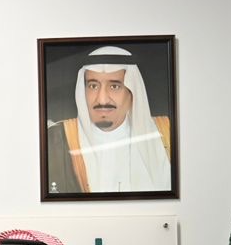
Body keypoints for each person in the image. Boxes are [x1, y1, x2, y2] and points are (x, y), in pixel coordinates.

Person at [44, 45, 172, 195]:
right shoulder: (56, 139)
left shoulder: (166, 133)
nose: (102, 99)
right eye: (93, 86)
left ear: (132, 92)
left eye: (114, 86)